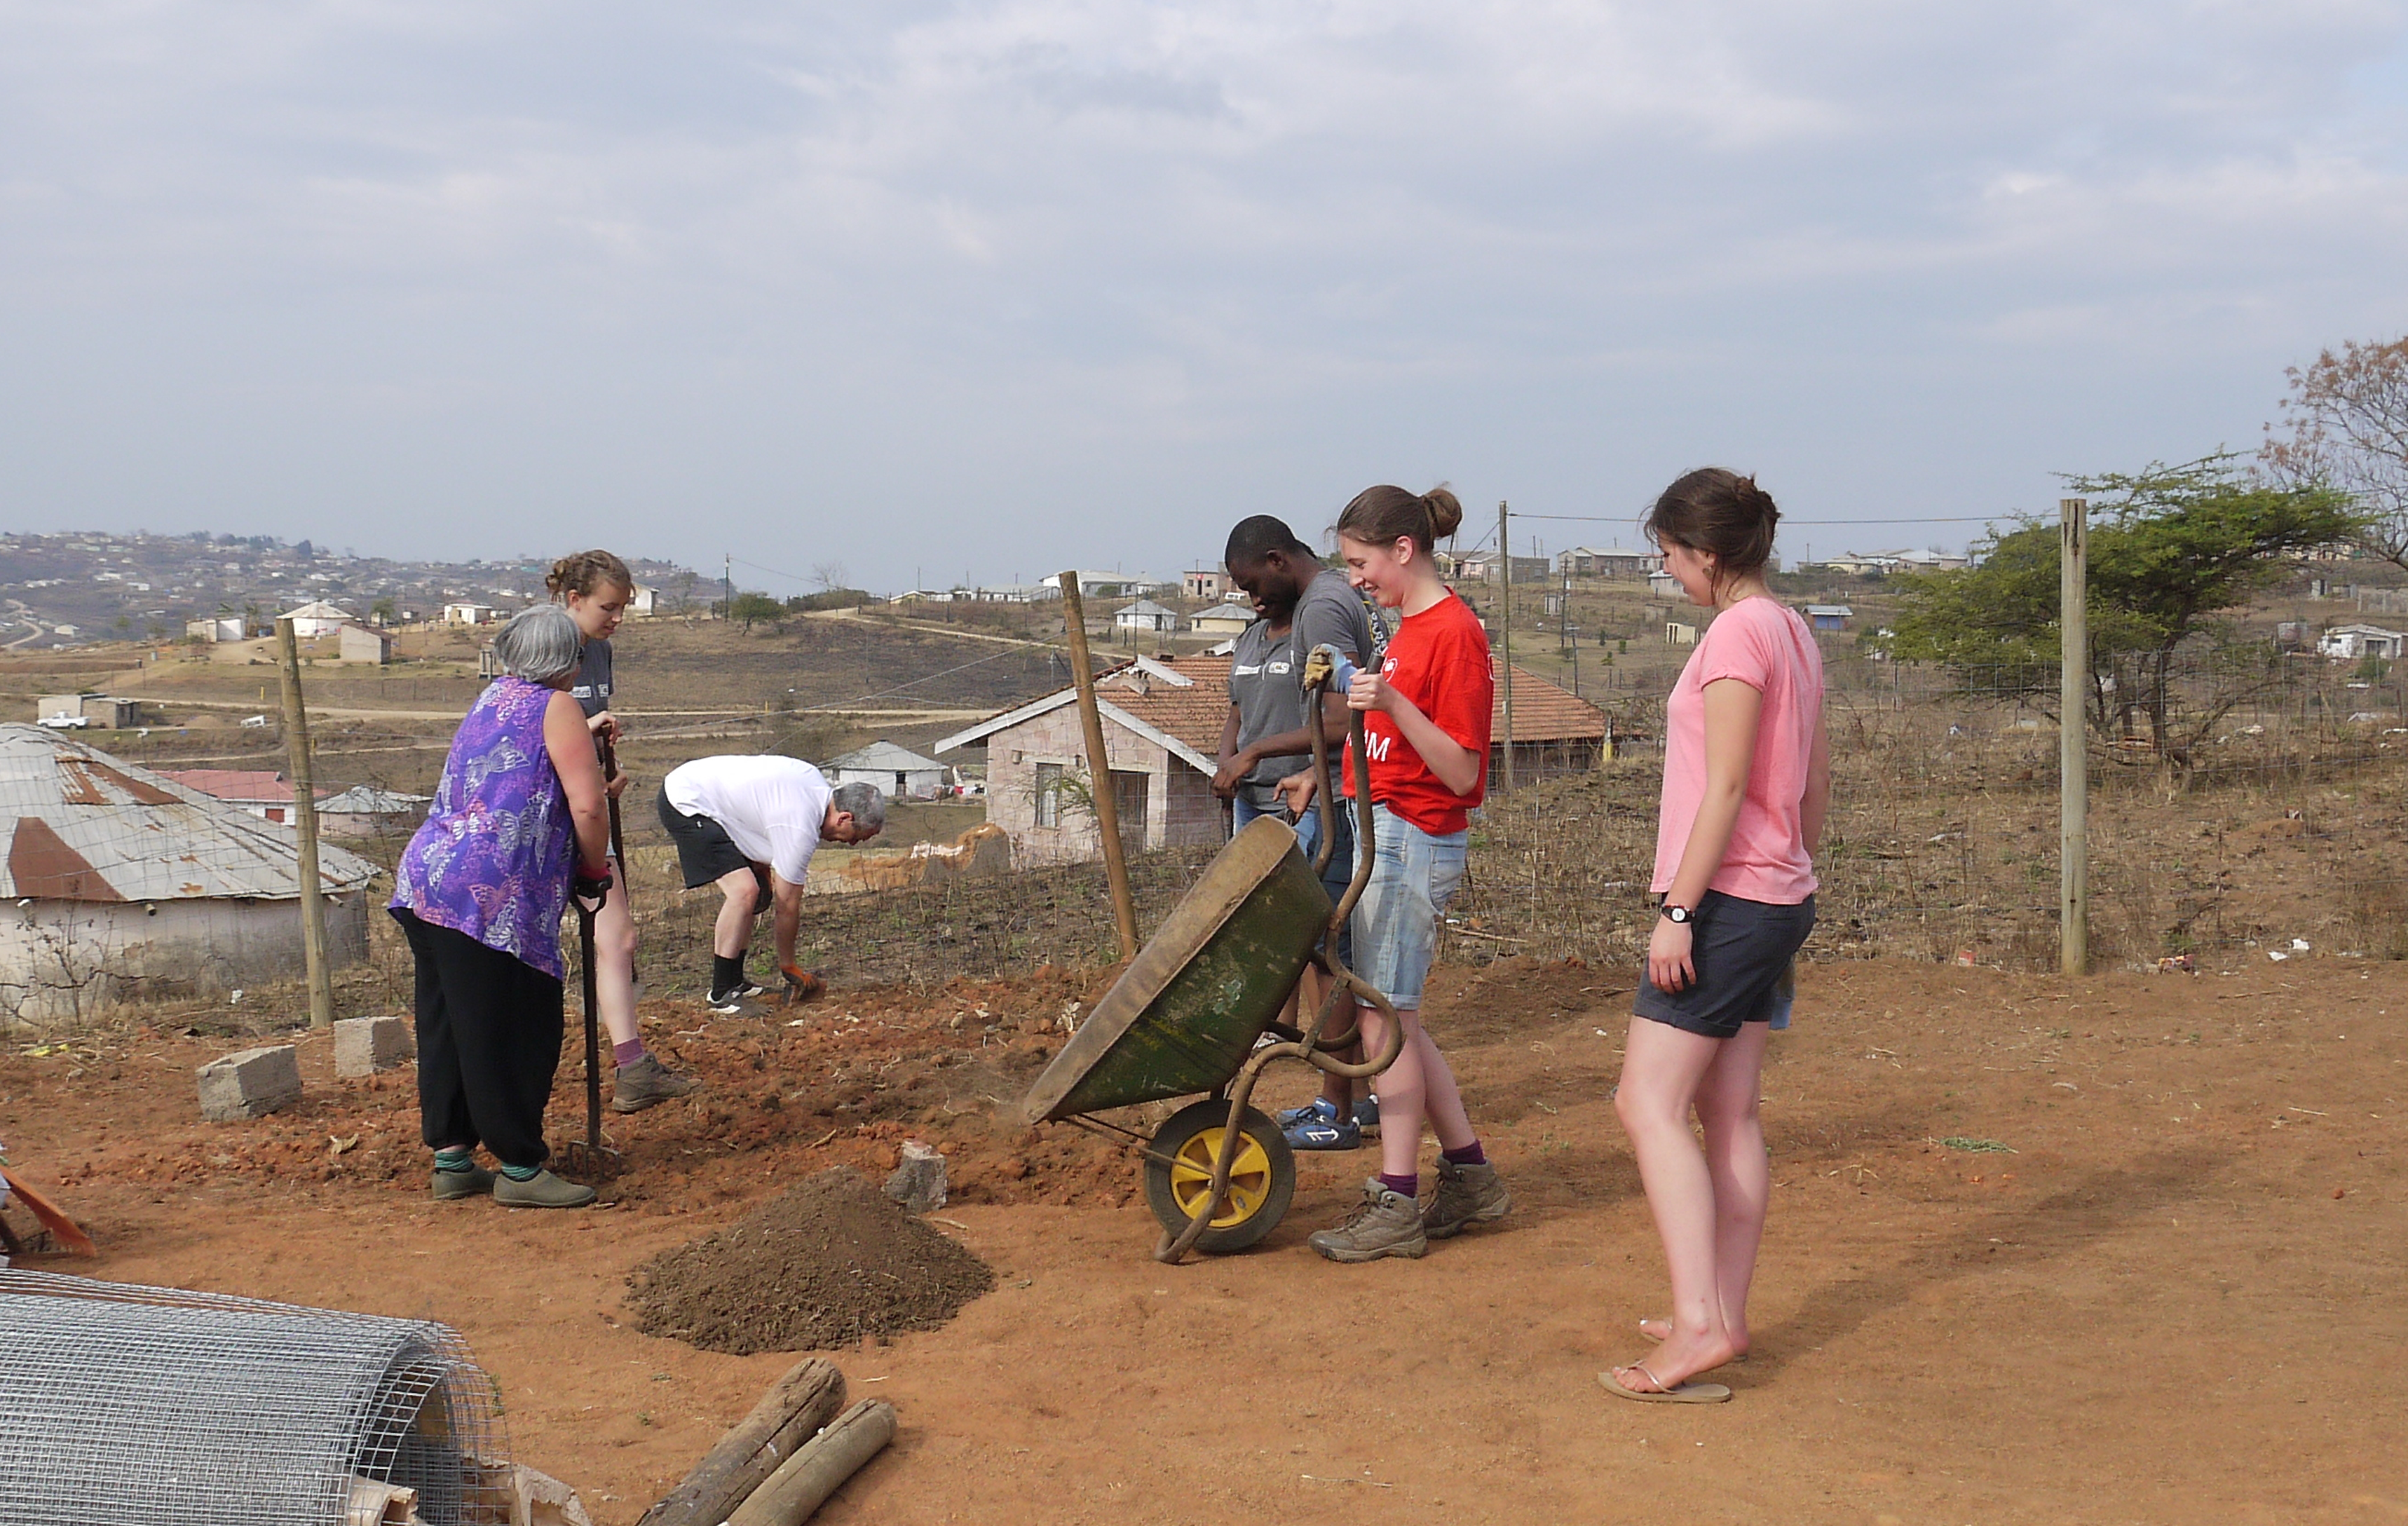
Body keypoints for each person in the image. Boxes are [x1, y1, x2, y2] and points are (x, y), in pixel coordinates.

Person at [1605, 468, 1828, 1404]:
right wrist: (1791, 869)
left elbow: (1726, 785)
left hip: (1729, 902)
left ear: (1706, 551)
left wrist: (1680, 912)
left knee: (1645, 1102)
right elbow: (1811, 779)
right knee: (1728, 1110)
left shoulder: (1738, 633)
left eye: (1667, 553)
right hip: (1772, 895)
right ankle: (1720, 1313)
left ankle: (1699, 1323)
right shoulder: (1793, 629)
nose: (1666, 569)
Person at [1282, 484, 1509, 1262]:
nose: (1354, 579)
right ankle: (1471, 1177)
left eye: (1360, 562)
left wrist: (1392, 703)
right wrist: (1329, 762)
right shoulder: (1408, 629)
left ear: (1403, 549)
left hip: (1413, 840)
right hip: (1382, 828)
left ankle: (1397, 1200)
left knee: (1385, 1024)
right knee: (1398, 1019)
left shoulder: (1453, 633)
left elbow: (1462, 770)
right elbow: (1386, 742)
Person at [392, 603, 613, 1210]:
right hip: (492, 896)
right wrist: (594, 869)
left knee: (449, 1022)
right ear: (569, 658)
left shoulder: (494, 696)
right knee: (513, 1023)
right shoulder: (559, 705)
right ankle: (519, 1166)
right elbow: (588, 807)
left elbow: (516, 774)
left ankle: (452, 1160)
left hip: (431, 878)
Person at [1211, 514, 1382, 1152]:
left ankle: (1337, 1107)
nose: (1250, 598)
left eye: (1251, 583)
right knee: (1315, 947)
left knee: (1325, 949)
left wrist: (1258, 755)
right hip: (1291, 794)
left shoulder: (1323, 608)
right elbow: (1239, 710)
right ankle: (1353, 1096)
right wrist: (1233, 757)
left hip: (1322, 798)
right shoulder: (1281, 622)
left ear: (1278, 560)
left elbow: (1341, 719)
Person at [548, 549, 697, 1113]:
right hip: (541, 815)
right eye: (607, 607)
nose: (616, 619)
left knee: (618, 939)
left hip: (588, 807)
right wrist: (584, 732)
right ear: (574, 599)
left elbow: (580, 738)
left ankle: (631, 1068)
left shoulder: (601, 651)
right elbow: (523, 728)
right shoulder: (542, 646)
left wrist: (601, 769)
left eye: (623, 608)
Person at [656, 755, 885, 1010]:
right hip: (686, 801)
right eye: (856, 836)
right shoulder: (800, 826)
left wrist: (758, 862)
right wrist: (789, 965)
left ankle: (735, 981)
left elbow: (762, 806)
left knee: (755, 892)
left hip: (705, 791)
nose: (852, 844)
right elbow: (787, 906)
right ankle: (721, 994)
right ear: (844, 818)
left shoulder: (814, 785)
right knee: (744, 892)